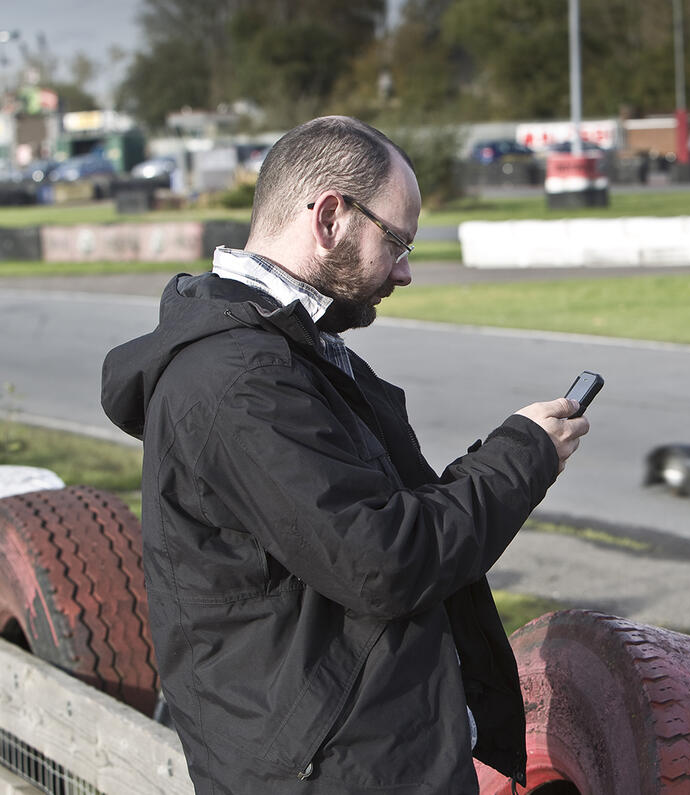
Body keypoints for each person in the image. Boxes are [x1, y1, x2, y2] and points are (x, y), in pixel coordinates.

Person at [100, 116, 590, 794]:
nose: (407, 270)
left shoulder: (288, 354)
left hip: (354, 756)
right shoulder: (239, 380)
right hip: (323, 774)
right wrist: (522, 457)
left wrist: (515, 452)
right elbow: (386, 560)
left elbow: (376, 524)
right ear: (330, 215)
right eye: (397, 240)